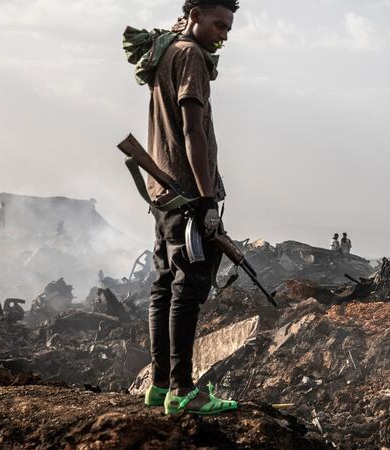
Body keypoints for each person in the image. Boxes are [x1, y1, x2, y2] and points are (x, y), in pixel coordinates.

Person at [130, 0, 240, 416]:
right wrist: (207, 199)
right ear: (195, 14)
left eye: (228, 28)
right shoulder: (191, 55)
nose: (224, 35)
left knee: (163, 285)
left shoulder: (167, 51)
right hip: (188, 193)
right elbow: (193, 130)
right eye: (219, 24)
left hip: (162, 192)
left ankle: (159, 386)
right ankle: (183, 391)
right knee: (188, 288)